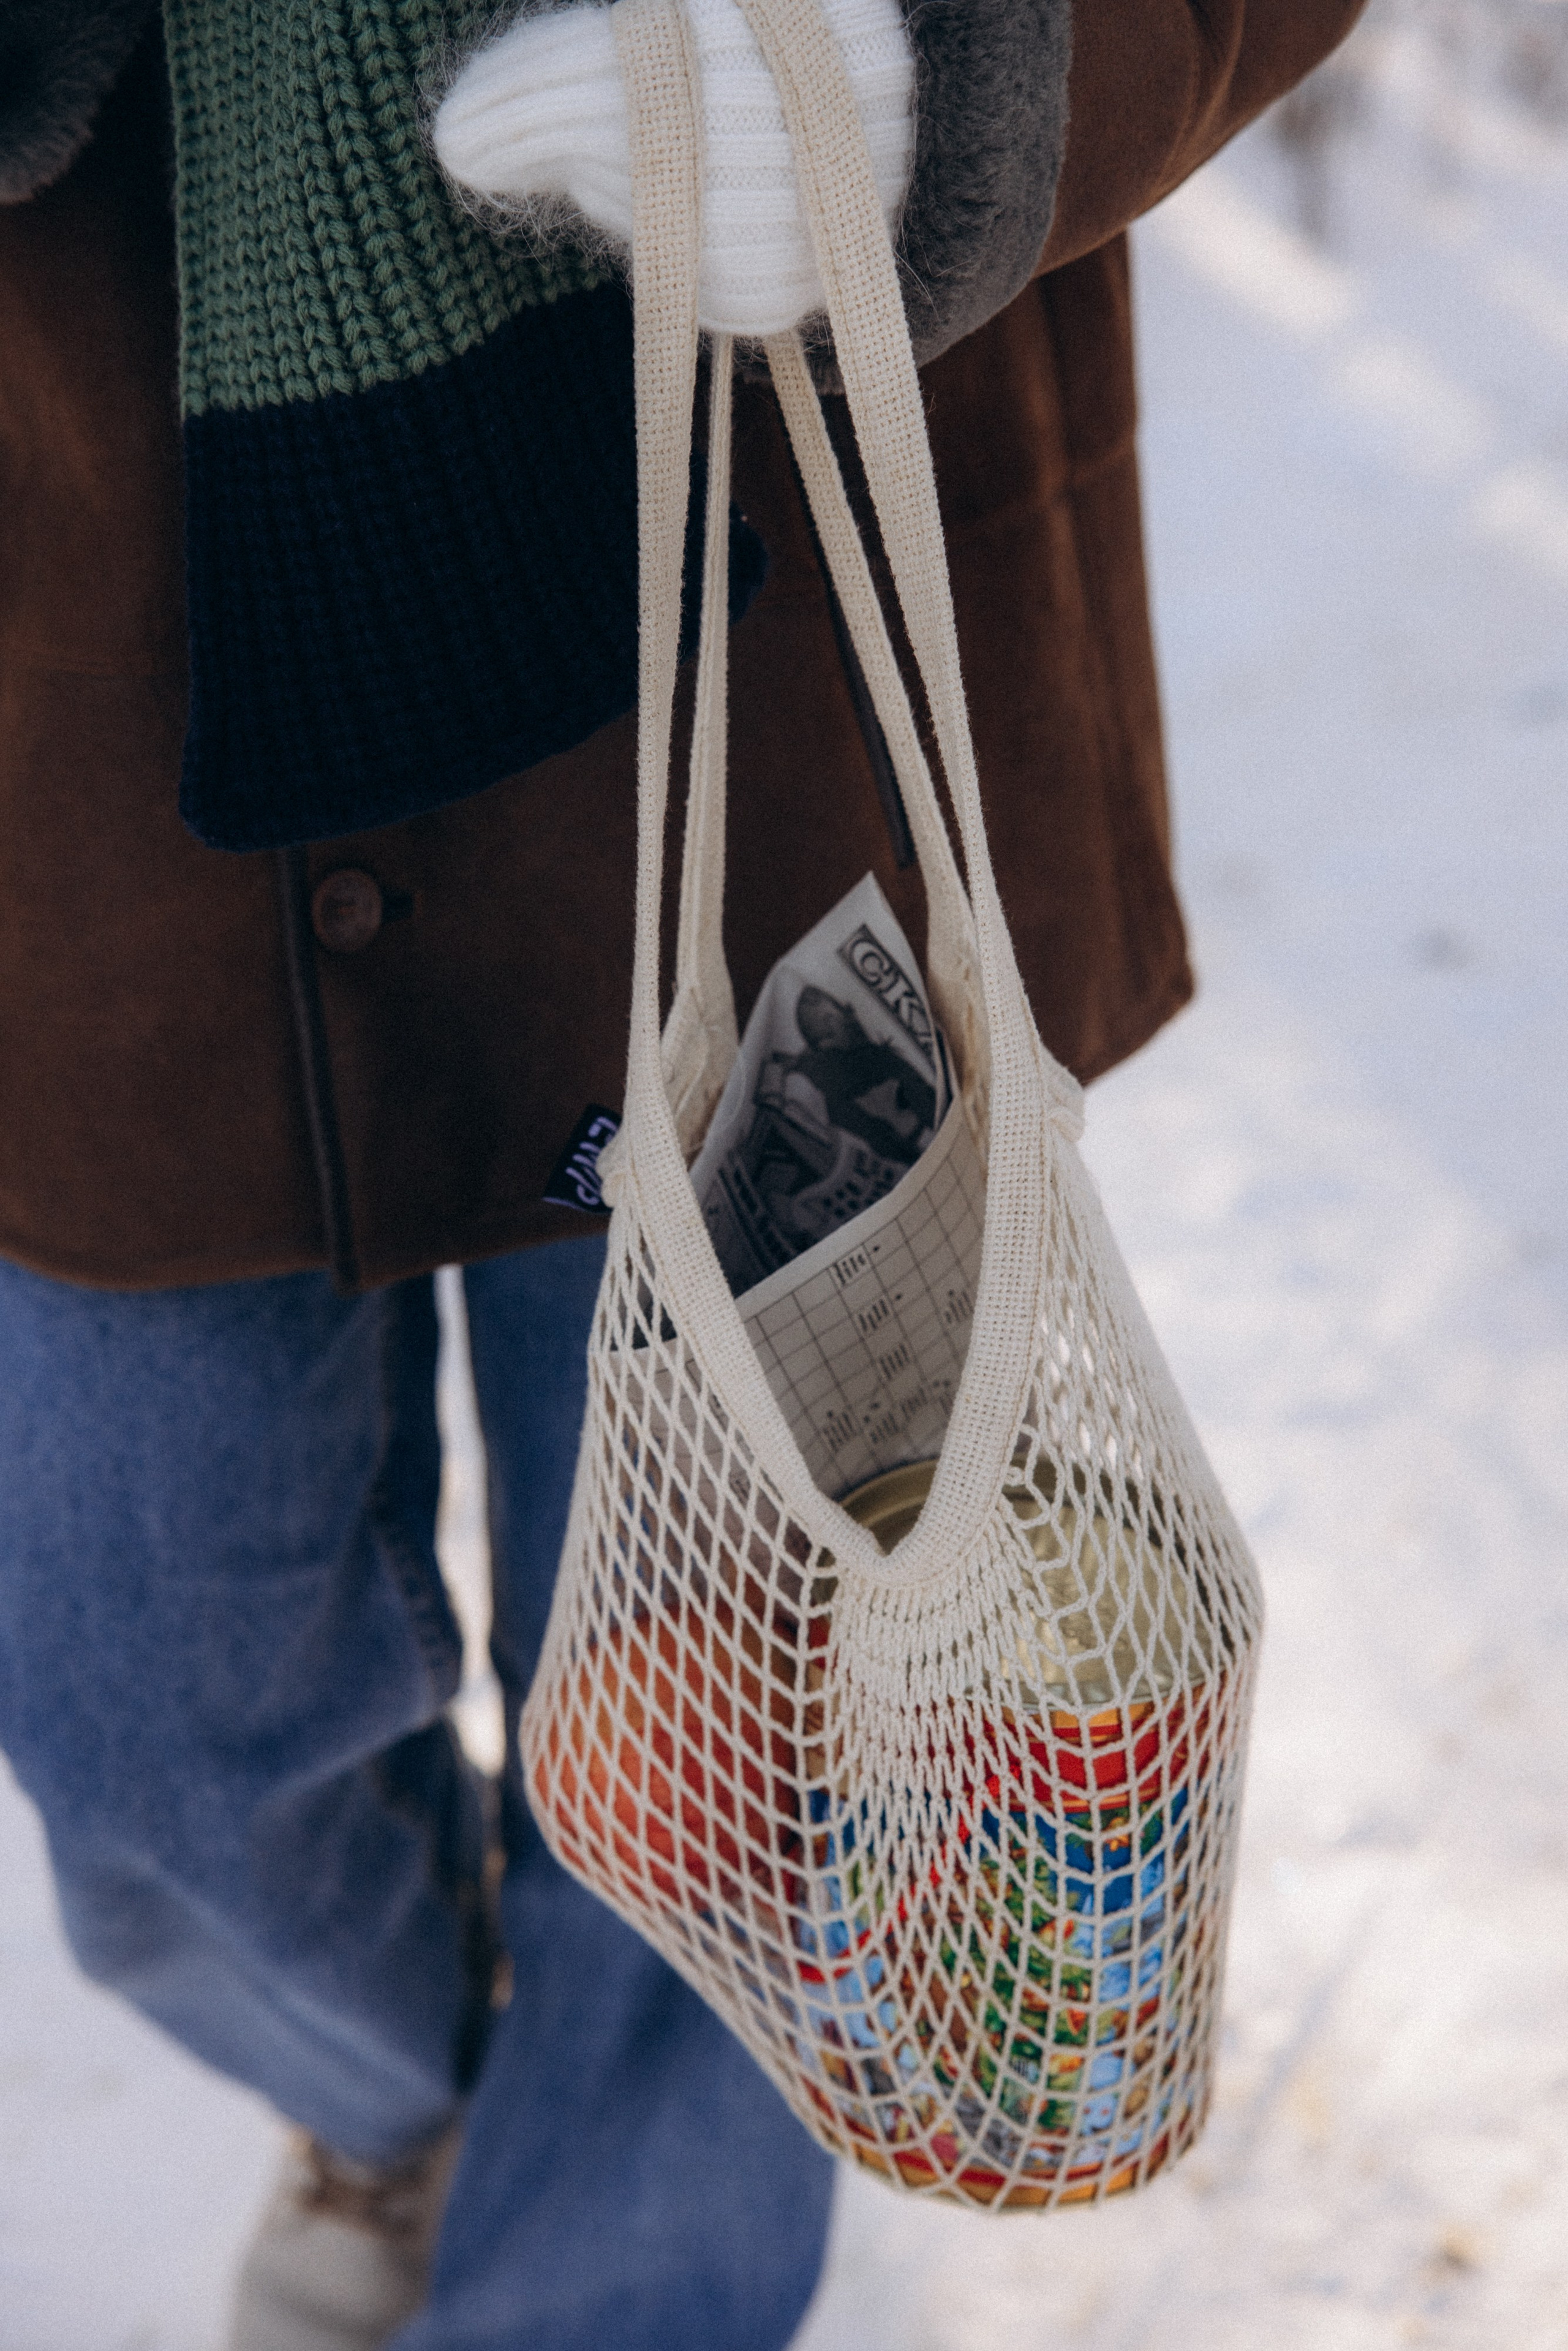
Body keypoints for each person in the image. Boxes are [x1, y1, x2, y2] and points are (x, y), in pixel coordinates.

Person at [0, 1, 1365, 2344]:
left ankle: (607, 2282)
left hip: (771, 657)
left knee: (796, 1747)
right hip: (100, 749)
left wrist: (971, 81)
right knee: (164, 1760)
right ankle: (435, 2108)